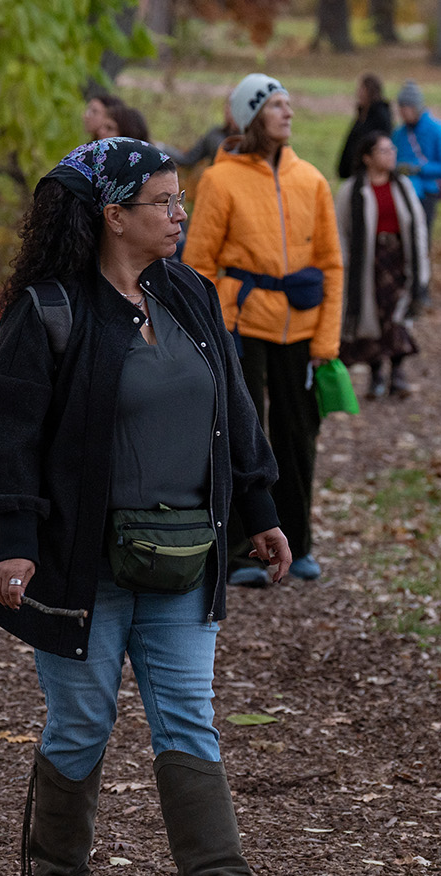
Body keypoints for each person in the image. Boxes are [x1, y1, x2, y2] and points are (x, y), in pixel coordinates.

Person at [0, 137, 293, 876]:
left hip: (183, 555)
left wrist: (262, 509)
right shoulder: (48, 311)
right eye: (164, 202)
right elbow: (7, 440)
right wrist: (15, 539)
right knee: (81, 725)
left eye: (182, 199)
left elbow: (235, 409)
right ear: (113, 215)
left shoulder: (189, 293)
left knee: (190, 723)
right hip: (81, 565)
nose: (181, 214)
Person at [183, 73, 344, 588]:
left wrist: (326, 342)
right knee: (239, 436)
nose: (288, 113)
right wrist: (209, 333)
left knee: (299, 435)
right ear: (252, 116)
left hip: (300, 328)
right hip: (240, 327)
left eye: (289, 104)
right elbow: (199, 264)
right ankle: (240, 550)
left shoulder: (312, 181)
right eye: (276, 105)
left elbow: (332, 265)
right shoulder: (219, 180)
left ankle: (298, 542)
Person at [335, 134, 431, 401]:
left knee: (396, 316)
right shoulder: (352, 191)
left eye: (392, 149)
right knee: (372, 317)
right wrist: (343, 263)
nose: (390, 155)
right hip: (366, 264)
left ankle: (398, 372)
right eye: (383, 150)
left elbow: (418, 226)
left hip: (399, 262)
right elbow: (340, 230)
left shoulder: (403, 187)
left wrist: (421, 266)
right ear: (367, 157)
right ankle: (376, 371)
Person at [390, 79, 441, 300]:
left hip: (426, 193)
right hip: (401, 193)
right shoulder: (398, 134)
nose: (402, 112)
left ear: (416, 107)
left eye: (406, 107)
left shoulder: (437, 130)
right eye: (400, 107)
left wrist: (418, 169)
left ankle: (421, 288)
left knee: (421, 241)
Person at [335, 73, 394, 180]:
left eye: (362, 89)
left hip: (369, 170)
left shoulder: (380, 115)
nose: (358, 93)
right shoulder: (362, 114)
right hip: (356, 171)